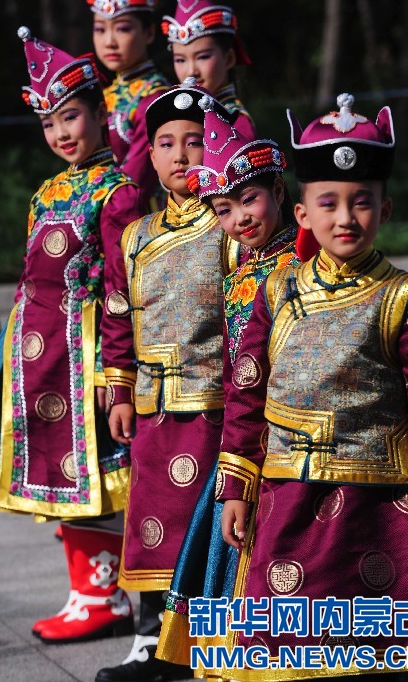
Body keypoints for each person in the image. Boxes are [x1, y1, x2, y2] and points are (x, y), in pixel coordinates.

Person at [207, 93, 408, 681]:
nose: (346, 218)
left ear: (385, 210)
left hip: (379, 505)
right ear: (303, 214)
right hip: (288, 498)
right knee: (290, 652)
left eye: (361, 202)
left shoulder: (407, 301)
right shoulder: (274, 294)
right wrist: (235, 484)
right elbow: (246, 397)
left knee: (376, 655)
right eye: (329, 203)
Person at [0, 27, 141, 644]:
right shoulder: (47, 191)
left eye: (71, 117)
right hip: (41, 366)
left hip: (87, 365)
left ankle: (107, 598)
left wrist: (115, 370)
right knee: (65, 490)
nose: (61, 134)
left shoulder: (118, 193)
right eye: (49, 124)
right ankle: (86, 594)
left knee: (101, 483)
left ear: (100, 113)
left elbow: (121, 289)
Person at [155, 97, 319, 668]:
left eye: (248, 199)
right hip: (247, 439)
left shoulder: (306, 266)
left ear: (279, 193)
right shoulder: (239, 275)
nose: (240, 218)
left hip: (300, 441)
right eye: (224, 210)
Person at [96, 80, 241, 682]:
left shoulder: (229, 230)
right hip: (152, 410)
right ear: (149, 156)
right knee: (149, 524)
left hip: (212, 407)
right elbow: (117, 313)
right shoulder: (135, 236)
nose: (182, 155)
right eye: (165, 143)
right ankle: (150, 644)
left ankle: (210, 650)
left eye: (194, 141)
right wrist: (119, 388)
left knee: (202, 529)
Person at [86, 0, 169, 213]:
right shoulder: (104, 94)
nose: (109, 41)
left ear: (149, 33)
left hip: (137, 218)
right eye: (100, 29)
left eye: (122, 28)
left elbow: (136, 180)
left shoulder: (155, 97)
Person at [162, 0, 256, 139]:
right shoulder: (173, 113)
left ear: (228, 58)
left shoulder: (237, 122)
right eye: (180, 60)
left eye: (203, 57)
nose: (191, 71)